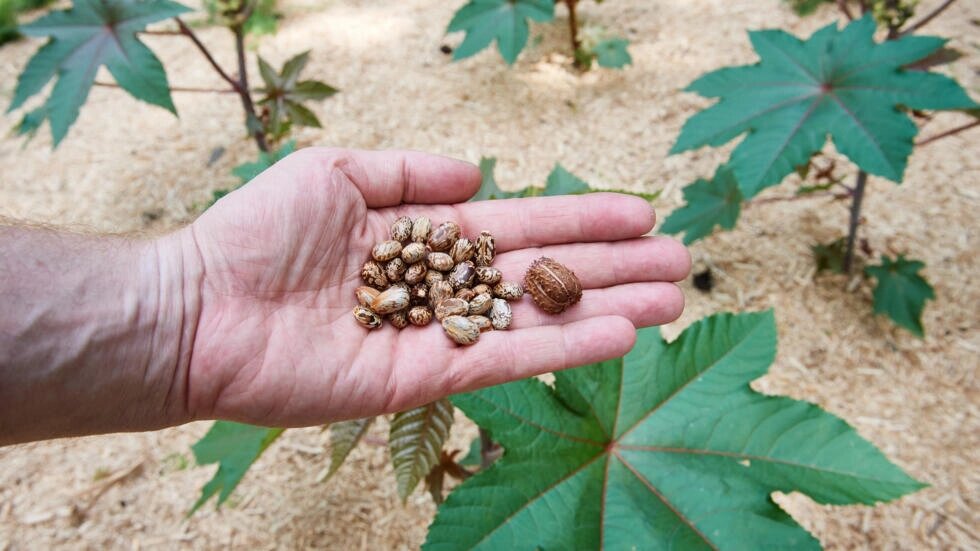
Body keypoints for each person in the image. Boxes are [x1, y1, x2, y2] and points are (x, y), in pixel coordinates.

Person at [0, 148, 690, 446]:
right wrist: (188, 297)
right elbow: (431, 287)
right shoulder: (429, 279)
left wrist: (182, 303)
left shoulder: (459, 283)